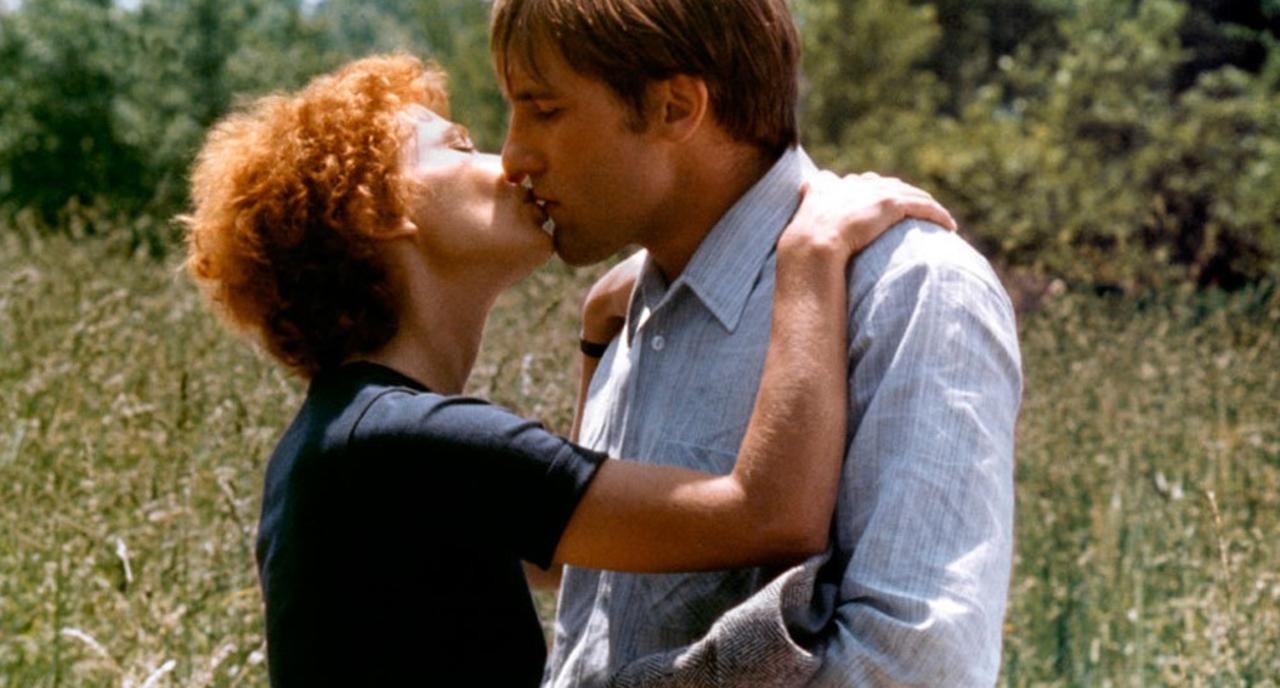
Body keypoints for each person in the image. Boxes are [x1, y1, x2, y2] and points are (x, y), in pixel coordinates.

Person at [180, 54, 955, 687]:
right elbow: (770, 516)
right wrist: (810, 256)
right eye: (460, 147)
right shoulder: (404, 441)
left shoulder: (344, 439)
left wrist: (595, 342)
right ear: (382, 210)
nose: (510, 163)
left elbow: (556, 555)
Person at [490, 0, 1024, 686]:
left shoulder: (907, 287)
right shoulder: (625, 313)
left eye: (544, 109)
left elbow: (911, 668)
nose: (513, 156)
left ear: (676, 108)